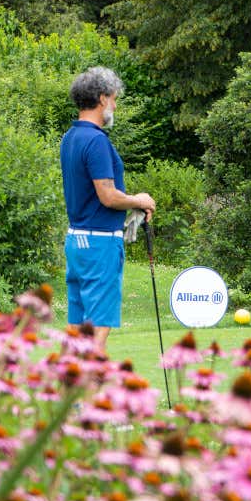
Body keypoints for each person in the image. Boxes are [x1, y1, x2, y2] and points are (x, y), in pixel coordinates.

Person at [60, 67, 155, 351]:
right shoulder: (97, 141)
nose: (115, 105)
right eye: (114, 99)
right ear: (102, 98)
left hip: (76, 241)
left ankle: (67, 394)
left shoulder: (70, 138)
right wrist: (140, 200)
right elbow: (108, 196)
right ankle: (91, 393)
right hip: (100, 243)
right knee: (97, 332)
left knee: (77, 330)